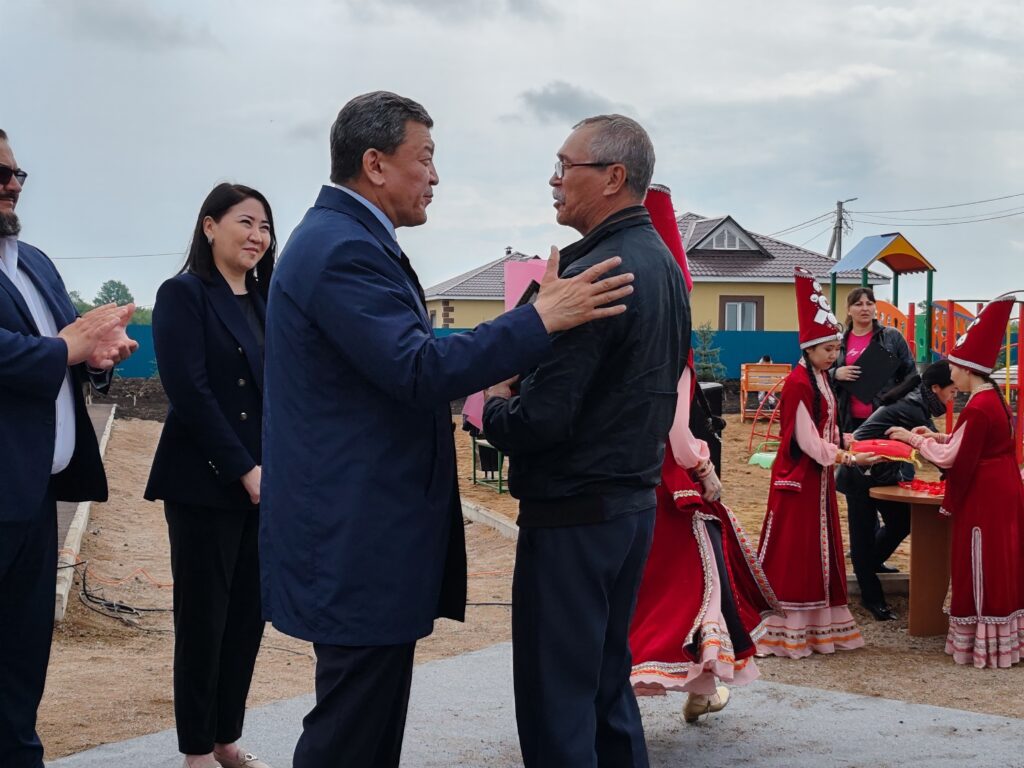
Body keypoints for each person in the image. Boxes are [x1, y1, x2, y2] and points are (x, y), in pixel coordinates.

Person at [260, 92, 635, 768]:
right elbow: (417, 367)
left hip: (365, 533)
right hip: (354, 536)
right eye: (425, 158)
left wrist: (519, 329)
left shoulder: (349, 238)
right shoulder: (341, 248)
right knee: (349, 734)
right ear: (375, 164)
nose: (434, 176)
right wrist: (537, 322)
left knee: (366, 728)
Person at [482, 116, 690, 767]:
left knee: (558, 701)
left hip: (573, 515)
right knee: (605, 685)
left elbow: (541, 419)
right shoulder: (662, 263)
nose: (554, 180)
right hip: (629, 507)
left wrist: (491, 403)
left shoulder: (593, 277)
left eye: (564, 166)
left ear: (612, 177)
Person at [0, 129, 136, 768]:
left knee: (23, 658)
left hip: (36, 498)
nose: (12, 184)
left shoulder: (35, 263)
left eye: (17, 173)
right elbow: (38, 350)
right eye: (0, 173)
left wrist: (98, 356)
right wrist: (66, 347)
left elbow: (68, 354)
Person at [629, 184, 781, 724]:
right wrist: (703, 464)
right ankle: (695, 687)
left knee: (640, 594)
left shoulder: (618, 323)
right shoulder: (673, 340)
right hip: (669, 485)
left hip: (619, 477)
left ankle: (686, 689)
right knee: (696, 589)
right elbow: (676, 431)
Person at [145, 184, 277, 768]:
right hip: (204, 484)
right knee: (203, 620)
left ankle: (227, 738)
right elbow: (190, 392)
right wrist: (243, 468)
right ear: (209, 226)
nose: (257, 236)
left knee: (247, 617)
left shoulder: (267, 301)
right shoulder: (183, 294)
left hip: (266, 483)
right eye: (245, 222)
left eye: (265, 227)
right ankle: (197, 750)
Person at [888, 294, 1024, 668]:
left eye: (954, 366)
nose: (951, 373)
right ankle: (1003, 641)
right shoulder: (993, 398)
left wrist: (913, 439)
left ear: (967, 369)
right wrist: (938, 436)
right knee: (1001, 560)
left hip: (985, 495)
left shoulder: (978, 405)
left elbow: (952, 458)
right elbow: (974, 442)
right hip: (1002, 487)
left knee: (980, 560)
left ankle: (984, 642)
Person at [756, 267, 876, 659]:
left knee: (816, 548)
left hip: (816, 478)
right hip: (799, 477)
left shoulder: (821, 378)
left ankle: (817, 627)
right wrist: (847, 457)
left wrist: (847, 440)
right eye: (828, 350)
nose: (834, 356)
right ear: (809, 349)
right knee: (797, 550)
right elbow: (806, 440)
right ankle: (789, 627)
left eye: (837, 349)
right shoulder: (798, 382)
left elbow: (825, 427)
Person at [838, 361, 957, 621]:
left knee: (900, 522)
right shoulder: (912, 407)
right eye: (952, 391)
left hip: (881, 474)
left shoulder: (918, 403)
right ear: (935, 388)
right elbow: (937, 453)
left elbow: (934, 443)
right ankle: (871, 596)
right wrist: (952, 473)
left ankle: (870, 565)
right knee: (863, 536)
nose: (953, 398)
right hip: (859, 473)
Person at [831, 287, 916, 433]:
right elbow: (820, 374)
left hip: (885, 418)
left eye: (869, 303)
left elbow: (911, 376)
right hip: (848, 420)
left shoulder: (891, 337)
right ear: (849, 310)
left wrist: (895, 402)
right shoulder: (839, 341)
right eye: (858, 304)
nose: (865, 308)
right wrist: (835, 373)